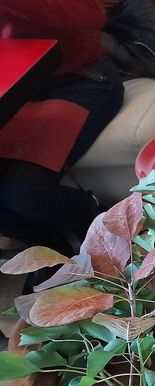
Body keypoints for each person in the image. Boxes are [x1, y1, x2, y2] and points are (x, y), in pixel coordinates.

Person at [0, 0, 124, 265]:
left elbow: (91, 15)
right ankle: (53, 253)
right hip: (14, 93)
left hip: (84, 79)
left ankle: (101, 227)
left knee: (23, 191)